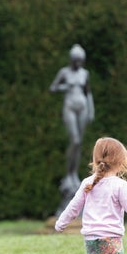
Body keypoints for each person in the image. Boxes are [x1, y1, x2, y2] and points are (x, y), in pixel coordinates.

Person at [49, 44, 94, 215]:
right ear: (71, 60)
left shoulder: (85, 74)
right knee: (74, 140)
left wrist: (91, 110)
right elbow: (53, 88)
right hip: (69, 106)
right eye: (76, 61)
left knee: (79, 142)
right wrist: (64, 87)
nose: (78, 64)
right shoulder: (64, 72)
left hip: (82, 107)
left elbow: (88, 92)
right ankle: (69, 174)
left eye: (80, 61)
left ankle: (74, 174)